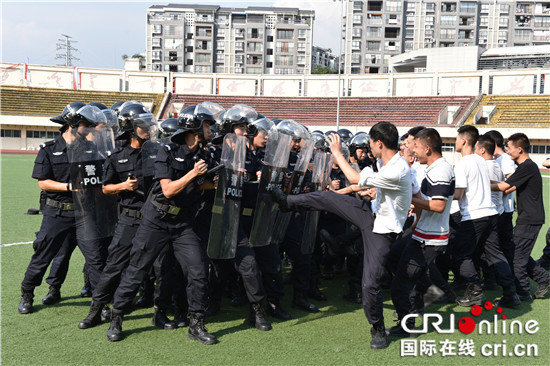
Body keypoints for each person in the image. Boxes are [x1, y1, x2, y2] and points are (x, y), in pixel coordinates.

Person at [272, 121, 412, 350]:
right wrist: (378, 191)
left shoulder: (399, 168)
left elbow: (356, 179)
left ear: (379, 143)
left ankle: (377, 329)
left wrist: (337, 152)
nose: (368, 149)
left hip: (383, 232)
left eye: (370, 144)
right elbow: (373, 186)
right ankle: (287, 203)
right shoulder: (384, 162)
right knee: (328, 198)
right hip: (370, 214)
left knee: (369, 284)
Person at [105, 108, 216, 344]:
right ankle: (117, 317)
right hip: (156, 220)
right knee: (137, 270)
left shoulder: (205, 156)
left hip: (182, 224)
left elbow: (203, 186)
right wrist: (193, 175)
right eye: (207, 126)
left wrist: (213, 181)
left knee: (197, 271)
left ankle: (196, 324)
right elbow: (168, 190)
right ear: (194, 130)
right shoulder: (166, 150)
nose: (211, 130)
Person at [77, 103, 161, 330]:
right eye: (142, 125)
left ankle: (159, 312)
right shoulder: (117, 156)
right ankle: (96, 310)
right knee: (114, 265)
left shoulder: (159, 151)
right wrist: (123, 186)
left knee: (160, 267)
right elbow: (104, 188)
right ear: (132, 128)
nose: (148, 129)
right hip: (129, 218)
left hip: (154, 218)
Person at [18, 102, 85, 314]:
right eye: (85, 124)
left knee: (96, 257)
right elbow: (43, 182)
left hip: (85, 213)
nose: (89, 128)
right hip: (57, 212)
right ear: (71, 125)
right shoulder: (49, 150)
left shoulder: (90, 149)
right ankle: (28, 293)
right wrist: (68, 186)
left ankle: (100, 300)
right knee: (44, 254)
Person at [388, 128, 455, 337]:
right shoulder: (433, 168)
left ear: (427, 148)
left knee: (402, 282)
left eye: (415, 146)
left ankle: (408, 325)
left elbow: (437, 206)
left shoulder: (441, 170)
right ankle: (425, 298)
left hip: (431, 238)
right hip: (422, 232)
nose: (411, 150)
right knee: (393, 259)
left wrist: (405, 198)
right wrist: (416, 219)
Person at [451, 126, 519, 308]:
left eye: (457, 138)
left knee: (459, 253)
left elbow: (458, 194)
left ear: (463, 141)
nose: (455, 142)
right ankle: (510, 293)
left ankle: (475, 291)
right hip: (491, 214)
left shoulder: (463, 164)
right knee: (495, 253)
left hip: (474, 215)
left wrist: (441, 192)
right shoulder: (481, 161)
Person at [492, 133, 550, 300]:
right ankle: (543, 279)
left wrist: (481, 183)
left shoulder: (527, 167)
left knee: (517, 257)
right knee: (519, 253)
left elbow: (504, 186)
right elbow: (508, 187)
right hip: (528, 217)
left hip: (530, 219)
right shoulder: (525, 167)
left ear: (519, 149)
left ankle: (523, 291)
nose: (507, 150)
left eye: (509, 147)